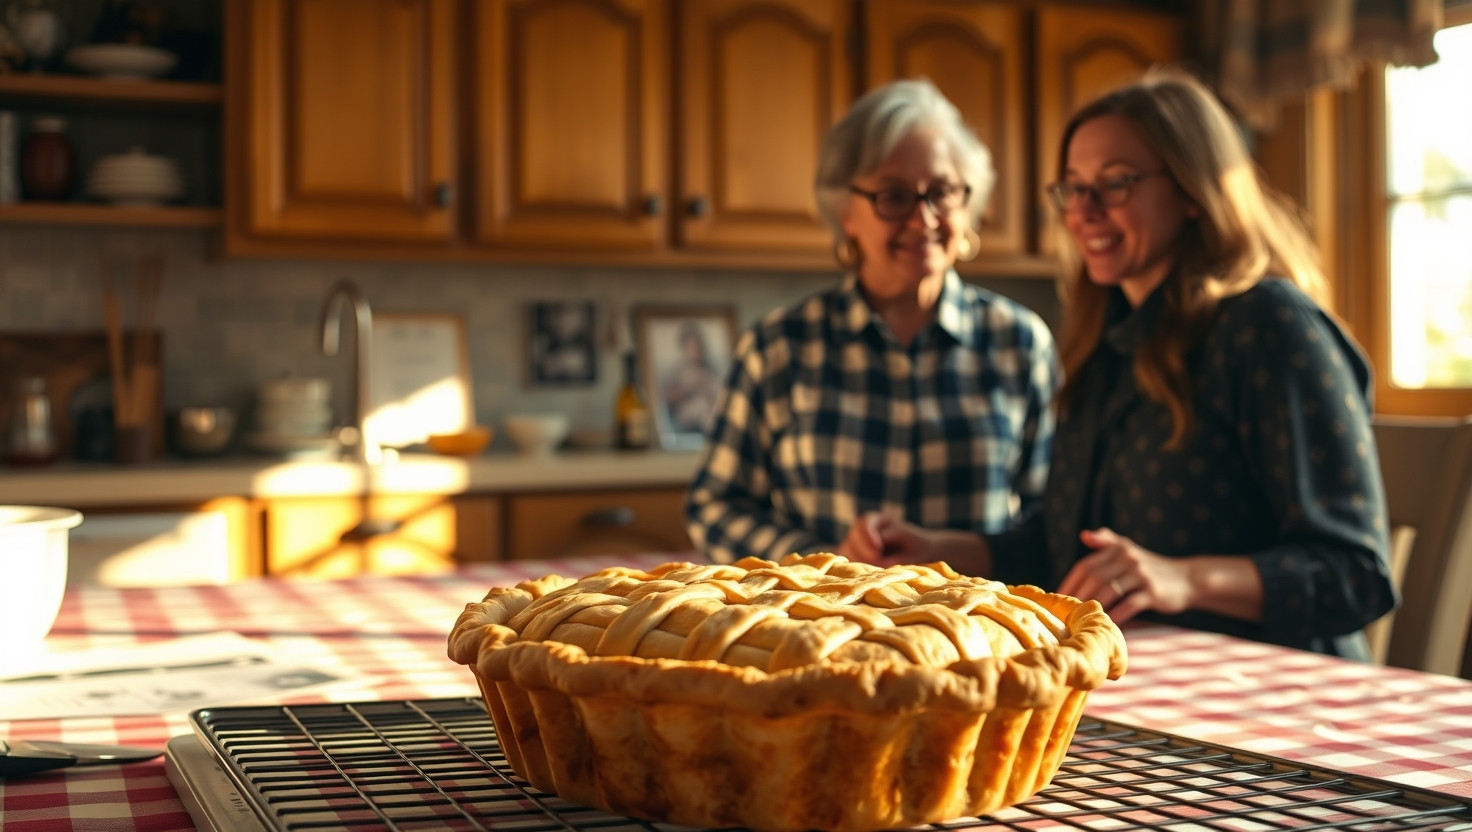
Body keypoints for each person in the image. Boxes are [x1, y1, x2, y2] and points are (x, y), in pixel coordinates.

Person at [846, 67, 1397, 659]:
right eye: (1073, 187)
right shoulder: (1104, 346)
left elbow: (1356, 574)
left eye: (1114, 184)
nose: (1084, 209)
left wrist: (1180, 578)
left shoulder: (1268, 325)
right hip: (1154, 684)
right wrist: (938, 548)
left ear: (1192, 191)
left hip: (1282, 698)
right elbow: (1066, 551)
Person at [684, 78, 1059, 565]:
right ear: (846, 212)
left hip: (975, 630)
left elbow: (1052, 516)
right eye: (894, 196)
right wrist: (822, 557)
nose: (923, 219)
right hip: (824, 627)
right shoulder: (778, 347)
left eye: (942, 193)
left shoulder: (1021, 344)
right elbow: (715, 507)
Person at [660, 321, 724, 434]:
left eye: (698, 346)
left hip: (710, 407)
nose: (696, 351)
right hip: (687, 414)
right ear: (684, 348)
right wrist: (688, 389)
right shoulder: (677, 369)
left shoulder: (709, 368)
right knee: (702, 407)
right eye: (692, 347)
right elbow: (667, 396)